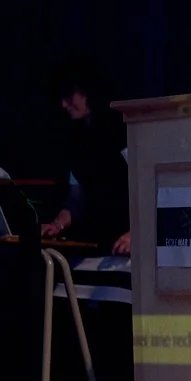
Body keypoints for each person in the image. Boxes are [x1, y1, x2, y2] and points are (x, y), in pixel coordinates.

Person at [41, 58, 132, 256]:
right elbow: (77, 196)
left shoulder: (122, 132)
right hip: (96, 241)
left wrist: (135, 233)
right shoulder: (76, 139)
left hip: (126, 245)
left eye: (69, 96)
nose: (64, 105)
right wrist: (58, 224)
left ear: (88, 92)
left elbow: (147, 186)